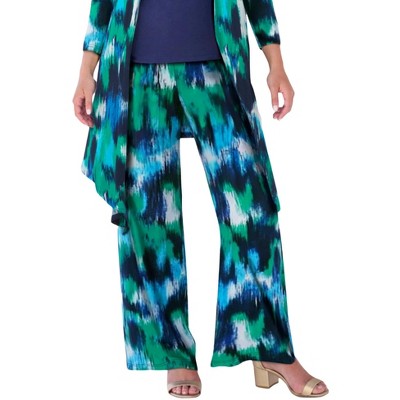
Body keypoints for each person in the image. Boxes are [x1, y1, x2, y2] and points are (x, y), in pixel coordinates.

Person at [73, 0, 329, 398]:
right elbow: (103, 4)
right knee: (150, 220)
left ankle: (268, 346)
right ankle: (174, 353)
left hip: (216, 70)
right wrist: (86, 72)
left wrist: (275, 63)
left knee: (253, 213)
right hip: (136, 78)